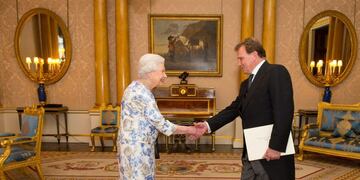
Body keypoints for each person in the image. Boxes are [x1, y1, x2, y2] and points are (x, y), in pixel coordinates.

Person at [193, 38, 295, 180]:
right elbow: (234, 109)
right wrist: (207, 125)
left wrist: (276, 147)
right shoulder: (246, 83)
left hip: (270, 152)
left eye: (241, 58)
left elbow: (284, 112)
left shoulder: (276, 72)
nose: (239, 63)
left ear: (254, 55)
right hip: (251, 151)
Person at [117, 53, 201, 180]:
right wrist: (191, 129)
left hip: (136, 147)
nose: (165, 76)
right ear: (150, 72)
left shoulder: (136, 88)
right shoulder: (141, 94)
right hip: (136, 150)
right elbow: (162, 125)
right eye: (162, 71)